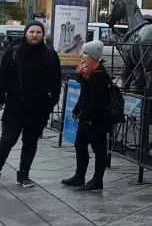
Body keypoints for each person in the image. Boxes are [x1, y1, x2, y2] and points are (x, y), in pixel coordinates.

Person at [0, 21, 62, 187]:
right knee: (8, 139)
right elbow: (2, 79)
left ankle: (23, 174)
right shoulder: (13, 53)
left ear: (42, 35)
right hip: (15, 107)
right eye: (31, 32)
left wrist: (51, 102)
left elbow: (56, 81)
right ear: (26, 33)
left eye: (38, 32)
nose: (34, 35)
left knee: (30, 142)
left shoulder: (50, 54)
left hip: (38, 108)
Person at [62, 40, 111, 191]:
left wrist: (86, 117)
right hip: (88, 117)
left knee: (98, 148)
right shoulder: (87, 71)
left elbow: (94, 99)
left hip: (96, 119)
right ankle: (79, 176)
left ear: (92, 56)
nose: (81, 55)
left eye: (85, 53)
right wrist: (77, 110)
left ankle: (97, 180)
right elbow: (84, 94)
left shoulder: (98, 74)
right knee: (80, 144)